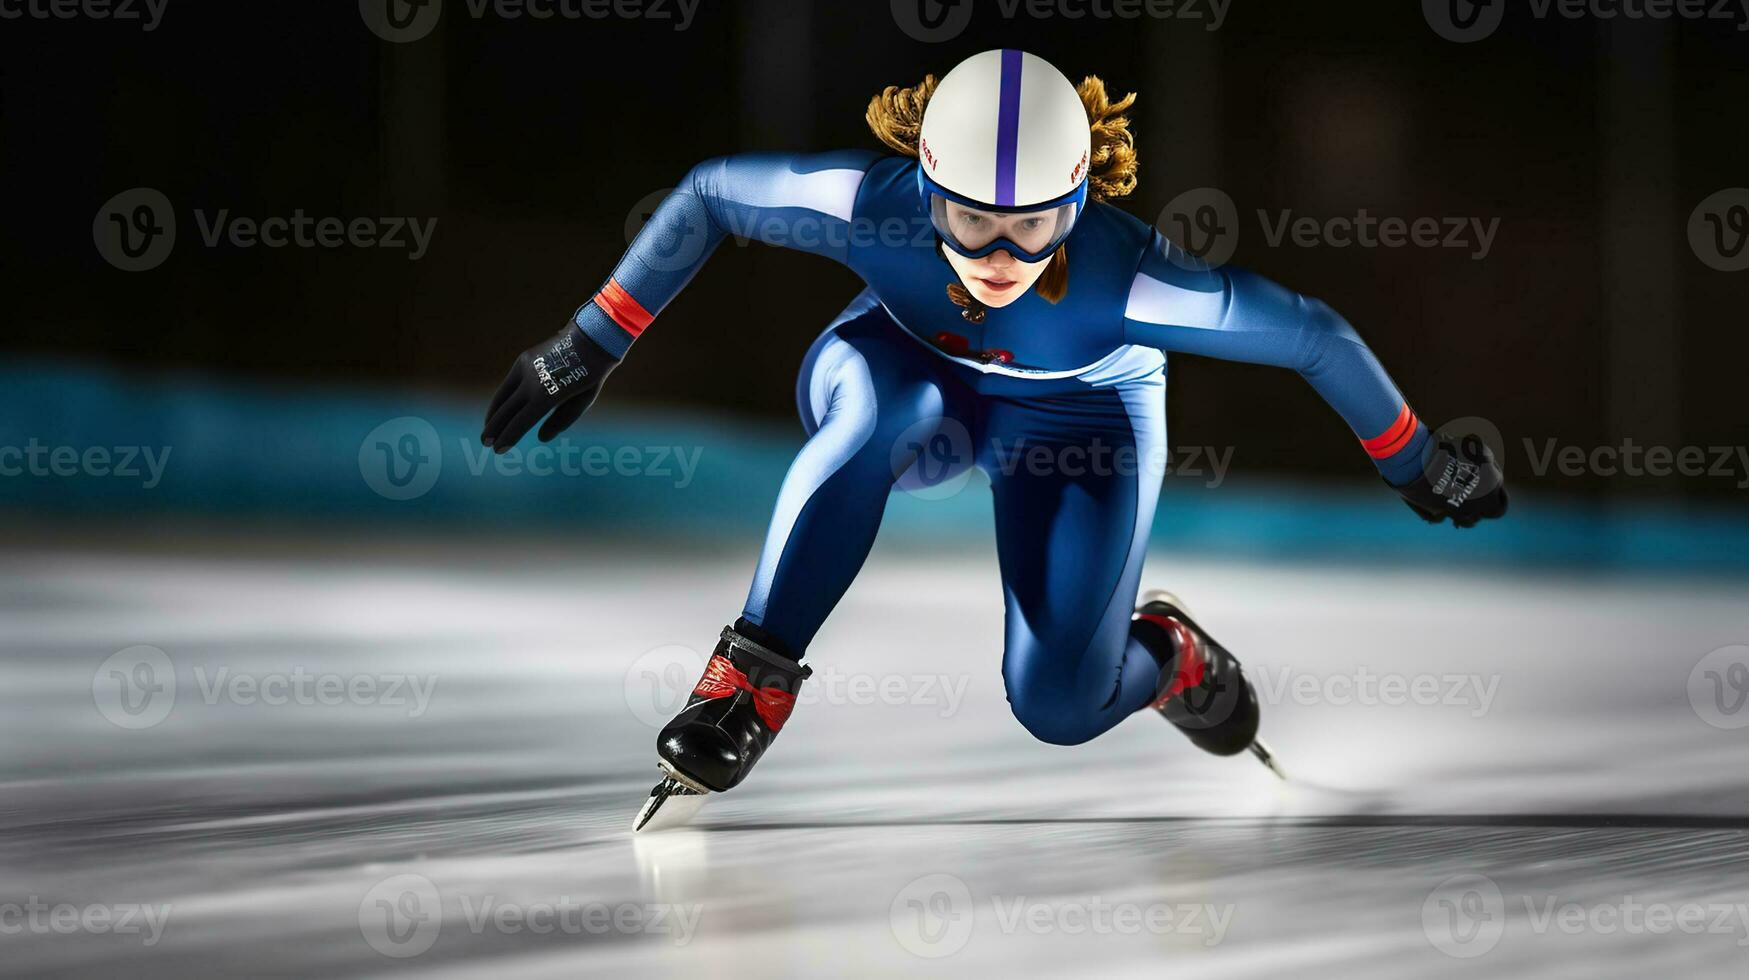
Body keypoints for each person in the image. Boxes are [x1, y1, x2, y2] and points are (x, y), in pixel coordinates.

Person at [478, 50, 1507, 830]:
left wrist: (1415, 459)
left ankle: (1167, 655)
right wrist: (589, 341)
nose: (1001, 256)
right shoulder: (871, 207)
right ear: (923, 183)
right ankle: (748, 677)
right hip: (901, 367)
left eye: (1035, 225)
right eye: (968, 224)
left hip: (1082, 418)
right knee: (879, 416)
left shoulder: (1130, 276)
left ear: (1081, 197)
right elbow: (705, 196)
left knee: (1060, 704)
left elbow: (1315, 337)